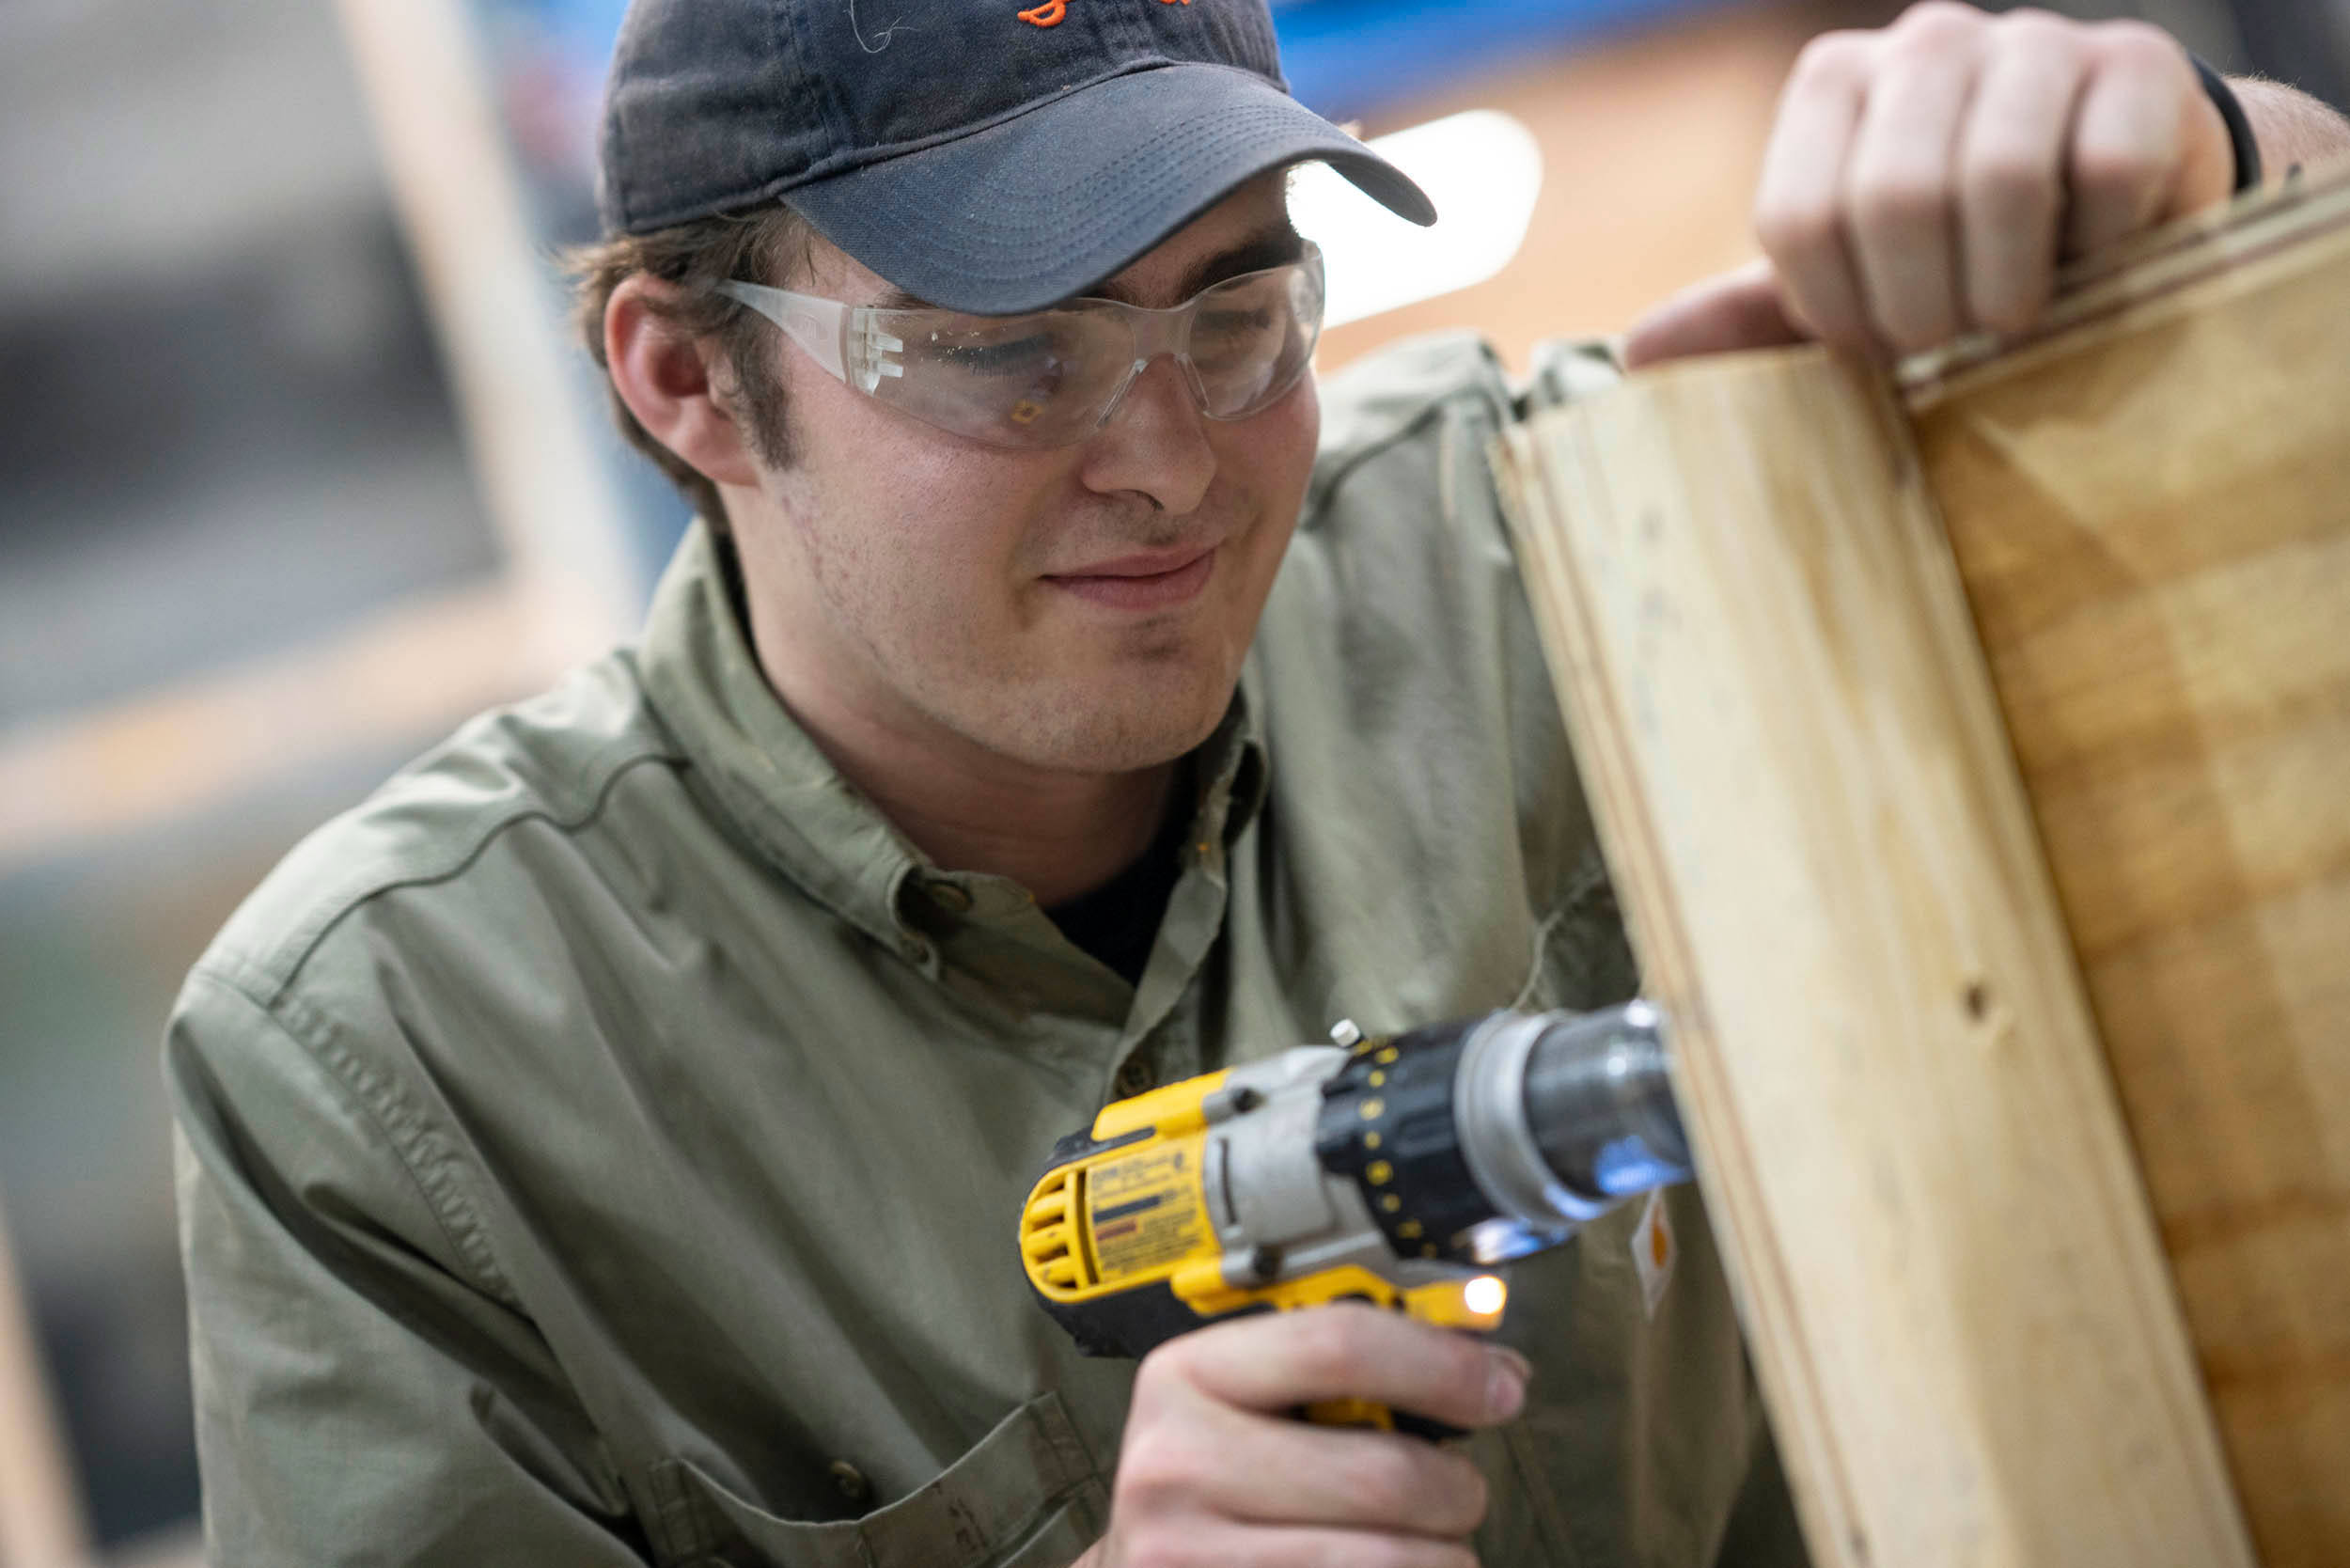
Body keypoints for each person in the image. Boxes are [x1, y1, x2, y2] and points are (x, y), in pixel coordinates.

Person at [165, 3, 2347, 1565]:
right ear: (686, 380)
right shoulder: (388, 1081)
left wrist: (2189, 161)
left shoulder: (1565, 540)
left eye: (1235, 313)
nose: (1170, 458)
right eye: (1010, 351)